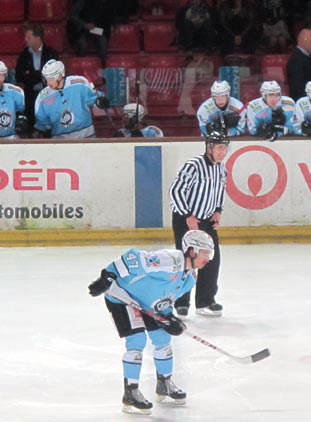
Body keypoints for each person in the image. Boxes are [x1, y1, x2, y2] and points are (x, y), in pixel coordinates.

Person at [87, 230, 216, 415]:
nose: (208, 258)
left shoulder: (189, 279)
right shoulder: (171, 260)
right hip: (123, 297)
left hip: (147, 304)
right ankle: (130, 393)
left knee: (163, 339)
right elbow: (133, 257)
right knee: (137, 341)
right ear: (192, 250)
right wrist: (107, 276)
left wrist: (169, 318)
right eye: (205, 252)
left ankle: (164, 384)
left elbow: (163, 301)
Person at [168, 131, 229, 318]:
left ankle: (206, 300)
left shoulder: (221, 168)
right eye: (219, 147)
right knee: (187, 260)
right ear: (209, 147)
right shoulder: (193, 165)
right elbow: (175, 191)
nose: (223, 152)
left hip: (207, 219)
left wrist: (218, 211)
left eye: (225, 148)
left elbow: (220, 191)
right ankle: (180, 302)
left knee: (211, 259)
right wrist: (188, 215)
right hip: (185, 219)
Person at [33, 60, 111, 139]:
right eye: (46, 79)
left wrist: (100, 101)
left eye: (51, 79)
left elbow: (94, 98)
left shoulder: (80, 83)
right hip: (60, 143)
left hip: (87, 137)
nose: (48, 83)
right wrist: (37, 132)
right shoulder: (42, 97)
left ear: (60, 76)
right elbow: (42, 124)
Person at [16, 24, 60, 129]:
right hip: (30, 95)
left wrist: (32, 75)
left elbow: (54, 74)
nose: (25, 39)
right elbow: (19, 76)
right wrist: (40, 75)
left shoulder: (51, 53)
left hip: (49, 93)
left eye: (28, 37)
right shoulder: (23, 55)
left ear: (38, 37)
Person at [67, 0, 115, 66]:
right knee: (83, 45)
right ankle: (80, 65)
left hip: (94, 28)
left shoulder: (103, 4)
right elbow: (72, 16)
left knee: (103, 41)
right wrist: (84, 24)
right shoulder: (82, 2)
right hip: (80, 29)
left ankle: (104, 66)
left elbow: (105, 18)